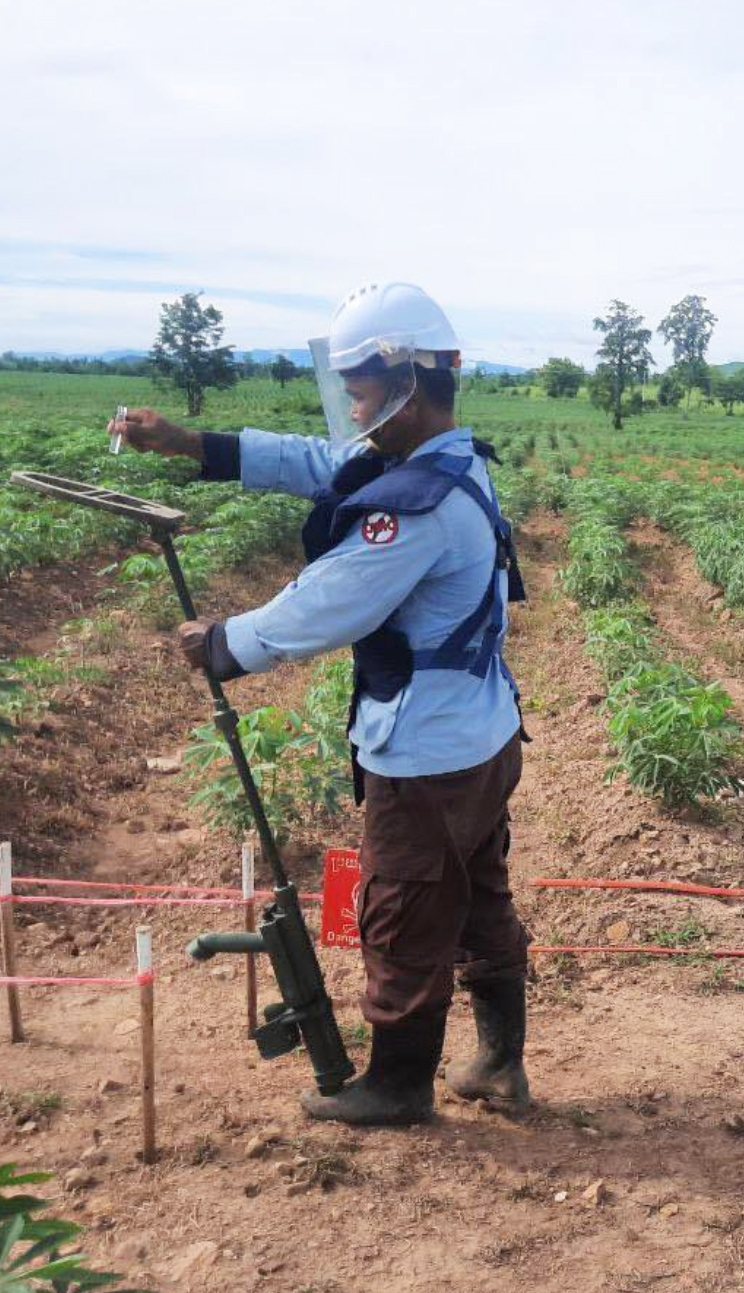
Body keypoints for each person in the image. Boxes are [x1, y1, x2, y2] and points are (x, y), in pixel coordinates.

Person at [111, 282, 531, 1126]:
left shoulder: (416, 508)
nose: (349, 401)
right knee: (476, 897)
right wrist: (197, 444)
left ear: (407, 378)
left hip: (428, 757)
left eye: (360, 385)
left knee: (402, 907)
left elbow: (325, 605)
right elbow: (314, 461)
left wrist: (223, 642)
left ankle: (399, 1084)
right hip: (481, 734)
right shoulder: (446, 459)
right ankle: (496, 1061)